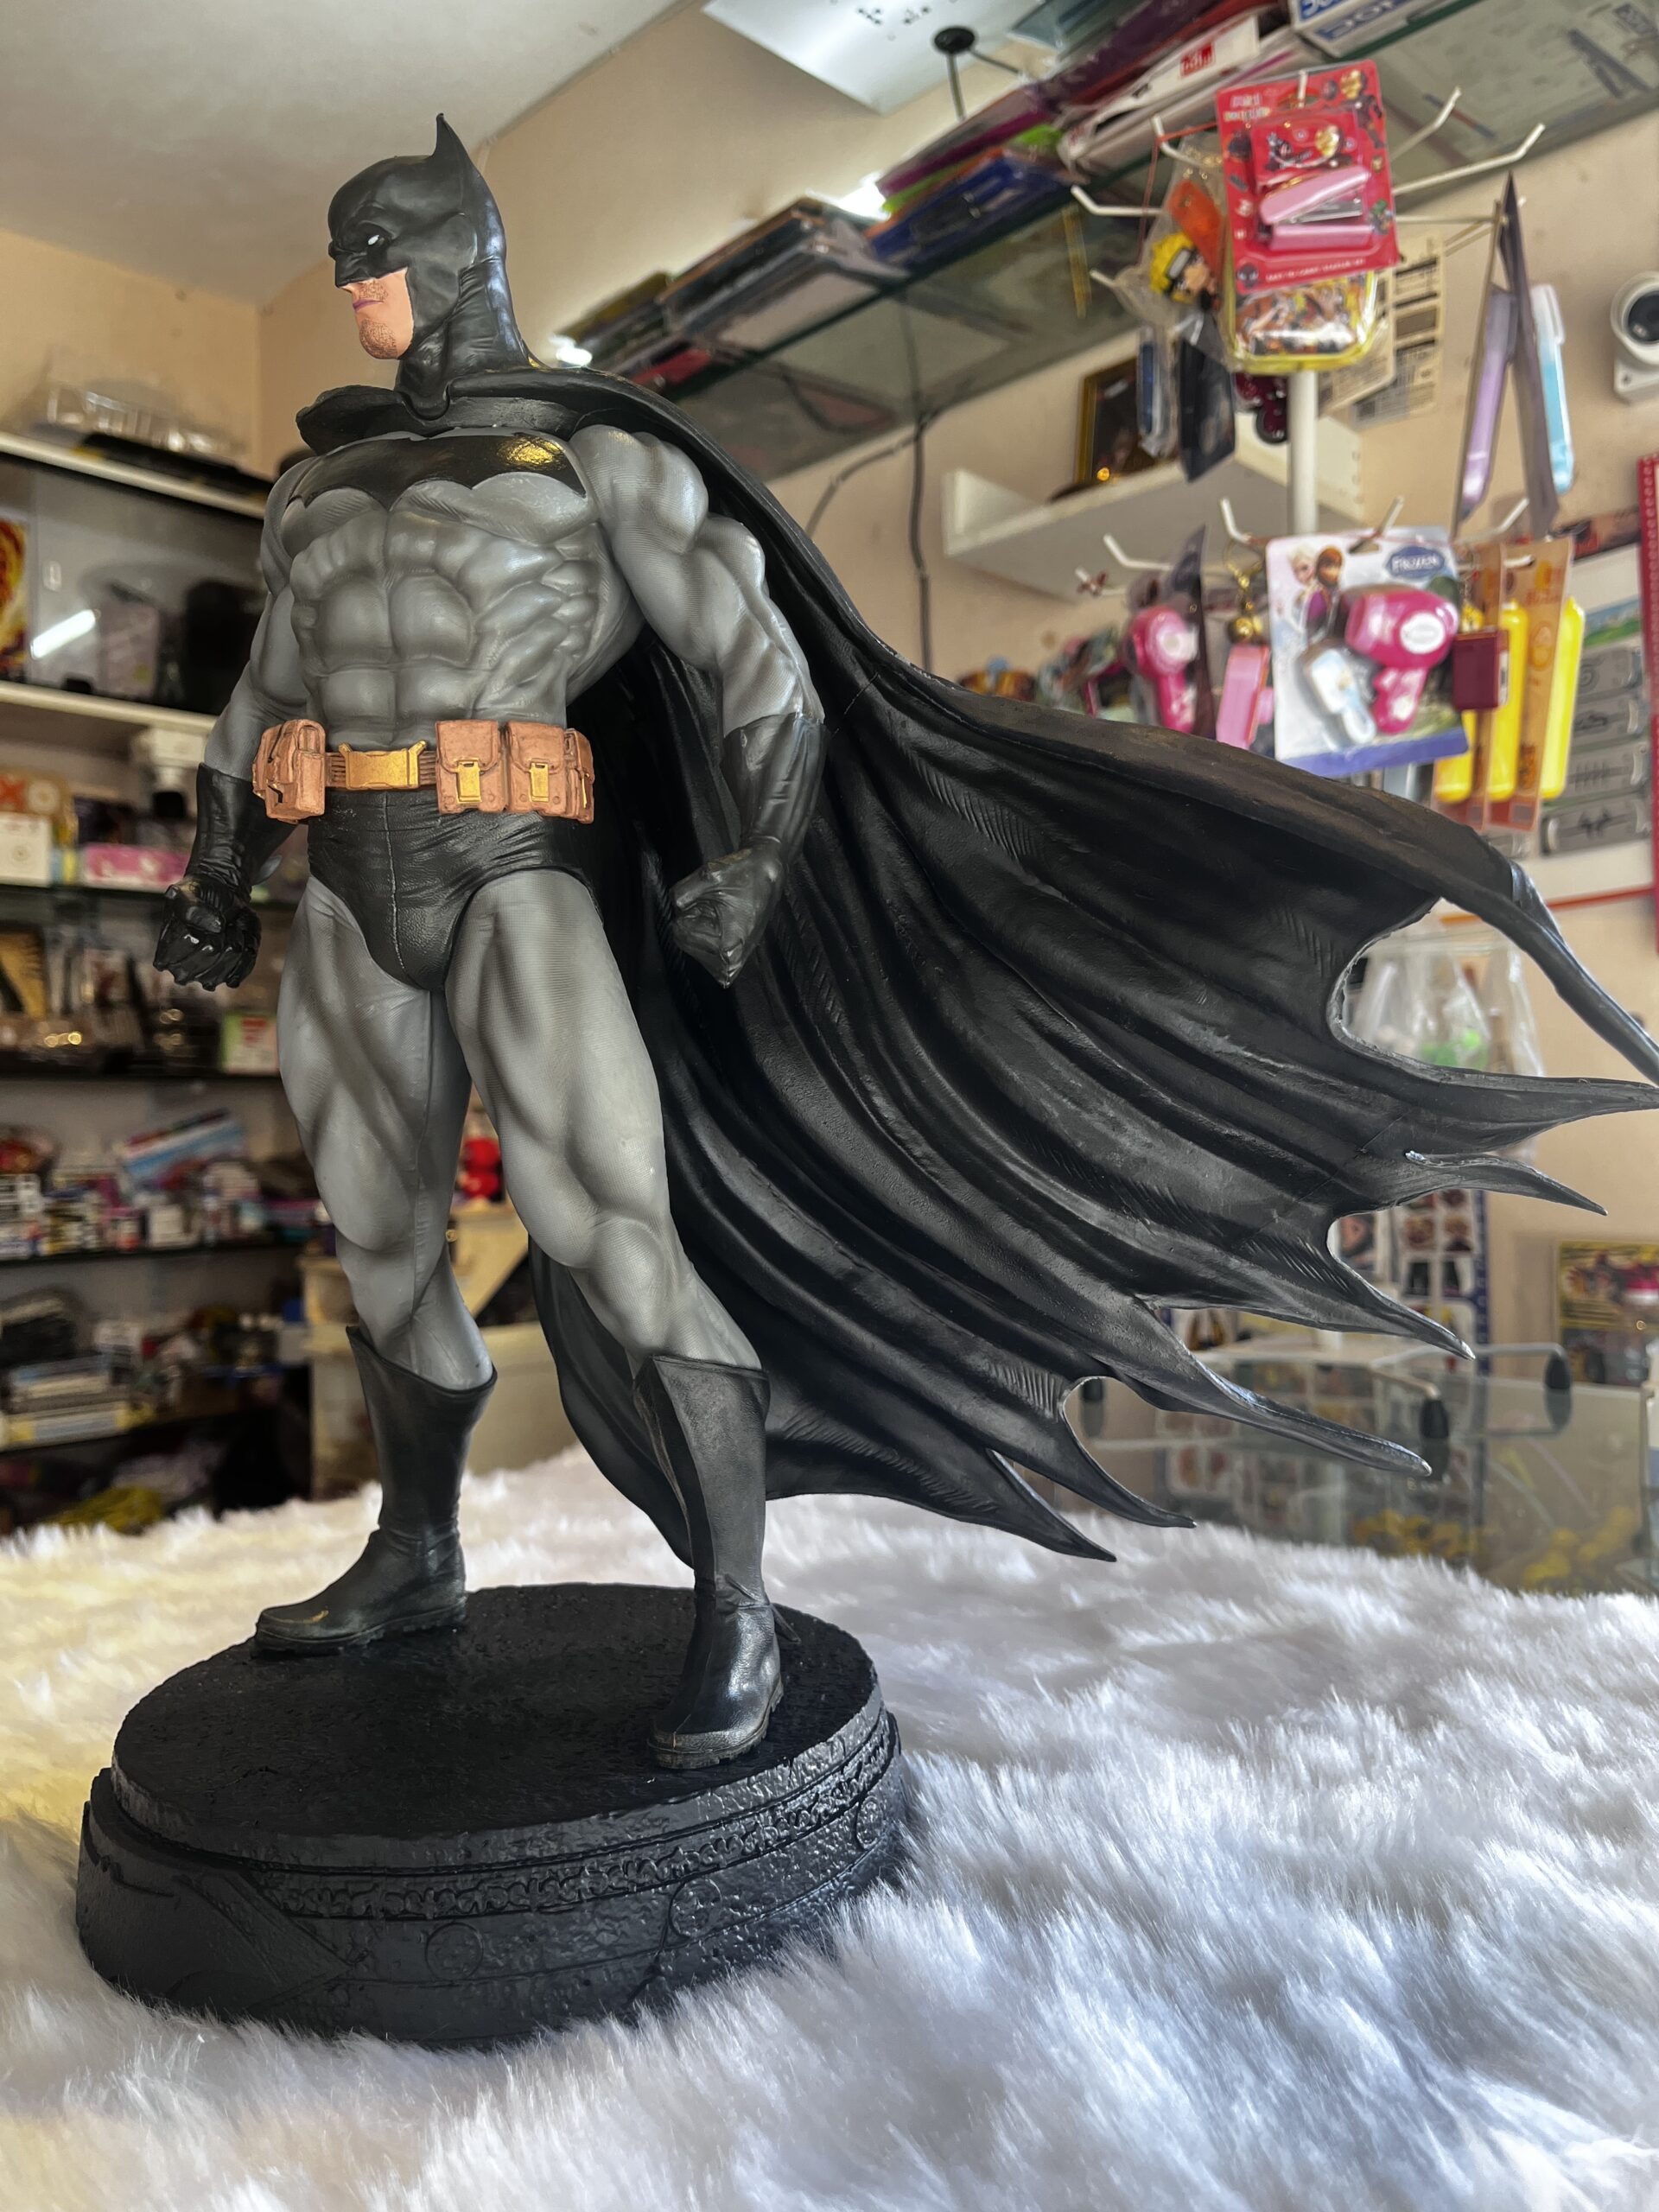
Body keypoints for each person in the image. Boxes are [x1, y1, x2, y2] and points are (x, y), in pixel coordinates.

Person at [156, 122, 1659, 1770]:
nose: (355, 288)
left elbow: (757, 665)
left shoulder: (592, 462)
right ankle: (418, 1550)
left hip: (517, 874)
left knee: (610, 1229)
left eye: (375, 255)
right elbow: (260, 694)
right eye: (345, 261)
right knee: (379, 1238)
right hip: (347, 889)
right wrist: (217, 872)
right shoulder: (314, 489)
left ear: (454, 257)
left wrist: (754, 862)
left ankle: (734, 1600)